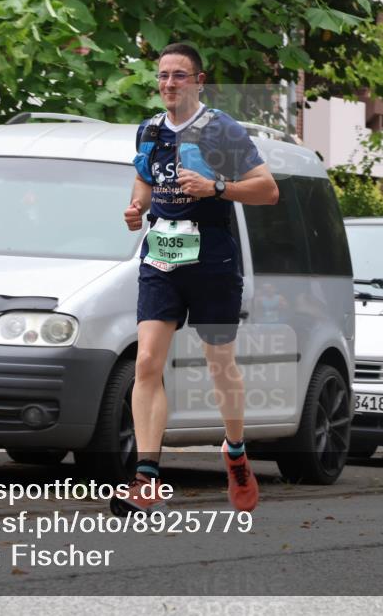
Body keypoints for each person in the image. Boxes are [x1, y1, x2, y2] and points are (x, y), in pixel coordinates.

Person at [110, 43, 279, 515]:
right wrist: (136, 206)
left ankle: (235, 450)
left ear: (199, 81)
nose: (168, 84)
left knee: (219, 364)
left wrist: (217, 187)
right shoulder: (149, 130)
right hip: (162, 257)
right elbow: (144, 179)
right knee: (146, 362)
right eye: (163, 76)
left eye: (179, 76)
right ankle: (145, 475)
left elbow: (268, 190)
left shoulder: (221, 130)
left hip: (212, 259)